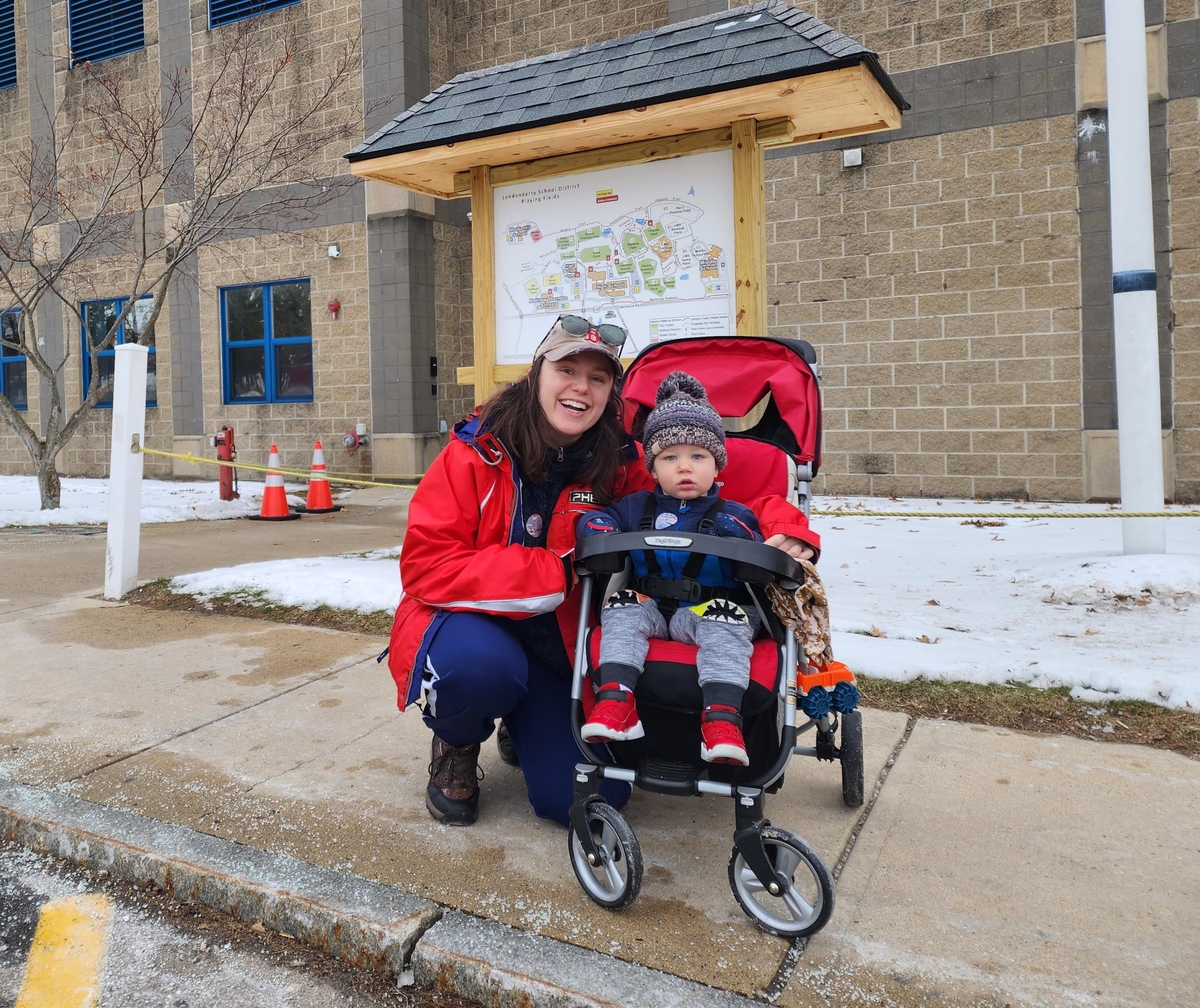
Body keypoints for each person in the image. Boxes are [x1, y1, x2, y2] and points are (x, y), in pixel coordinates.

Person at [387, 315, 821, 828]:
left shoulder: (619, 458)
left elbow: (709, 497)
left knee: (579, 805)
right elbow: (425, 566)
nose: (580, 388)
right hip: (475, 627)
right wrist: (547, 573)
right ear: (536, 375)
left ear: (612, 392)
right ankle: (456, 740)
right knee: (479, 670)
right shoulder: (474, 452)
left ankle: (524, 722)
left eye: (598, 378)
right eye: (566, 369)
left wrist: (789, 527)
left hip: (561, 645)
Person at [576, 372, 763, 766]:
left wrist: (747, 543)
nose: (684, 467)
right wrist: (599, 528)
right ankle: (616, 701)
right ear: (653, 466)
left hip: (708, 610)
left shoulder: (735, 516)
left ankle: (723, 720)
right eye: (670, 457)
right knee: (621, 606)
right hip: (652, 606)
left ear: (717, 467)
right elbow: (597, 520)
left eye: (698, 456)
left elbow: (761, 556)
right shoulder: (635, 508)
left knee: (726, 618)